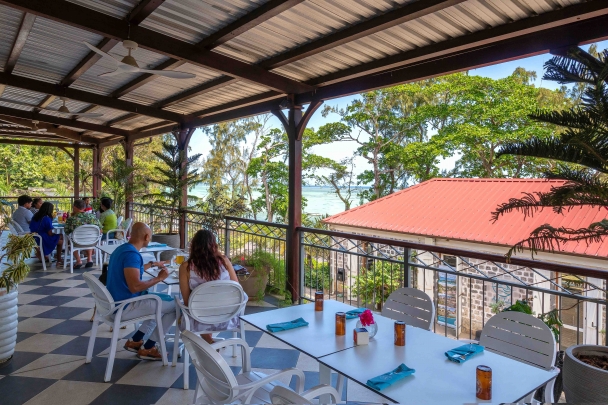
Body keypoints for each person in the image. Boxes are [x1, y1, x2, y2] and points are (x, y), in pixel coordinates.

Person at [107, 222, 175, 360]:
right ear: (146, 237)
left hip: (115, 302)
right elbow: (135, 287)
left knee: (160, 303)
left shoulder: (122, 250)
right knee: (175, 306)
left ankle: (136, 341)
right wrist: (159, 278)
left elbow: (130, 269)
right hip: (125, 306)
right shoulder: (132, 255)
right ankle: (149, 347)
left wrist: (152, 264)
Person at [178, 229, 245, 344]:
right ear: (214, 245)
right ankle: (208, 339)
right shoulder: (224, 261)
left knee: (183, 307)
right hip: (227, 316)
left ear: (194, 245)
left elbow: (186, 301)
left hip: (199, 319)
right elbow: (236, 287)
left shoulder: (186, 267)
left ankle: (208, 340)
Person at [65, 199, 102, 269]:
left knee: (69, 241)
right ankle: (89, 259)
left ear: (74, 207)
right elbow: (100, 230)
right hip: (92, 242)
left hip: (77, 243)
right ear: (84, 207)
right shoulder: (92, 217)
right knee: (89, 237)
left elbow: (67, 231)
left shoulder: (71, 219)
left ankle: (78, 260)